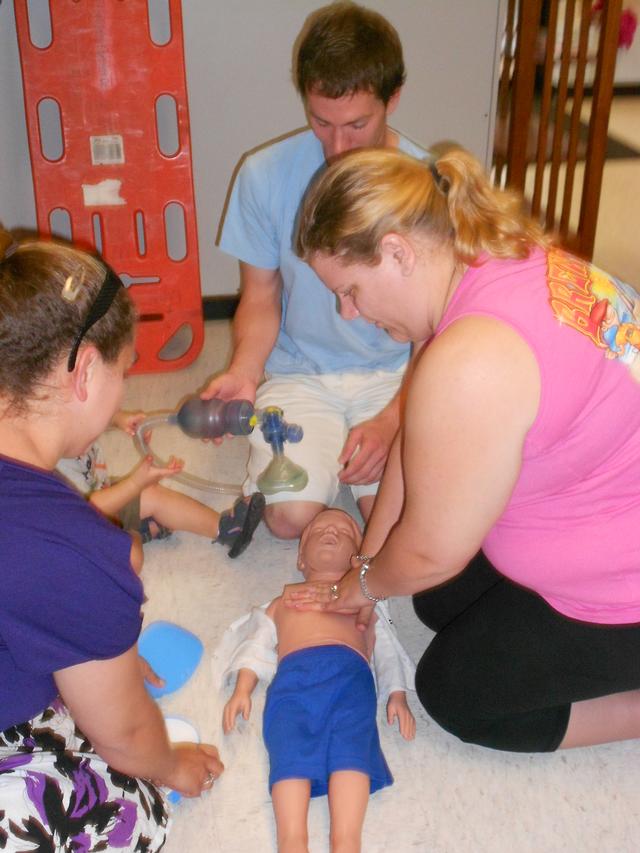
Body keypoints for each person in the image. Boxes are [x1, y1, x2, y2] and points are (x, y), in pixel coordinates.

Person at [287, 145, 640, 755]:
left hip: (626, 585)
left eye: (349, 290)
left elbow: (429, 551)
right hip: (609, 509)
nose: (349, 314)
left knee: (455, 691)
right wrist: (366, 566)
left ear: (396, 251)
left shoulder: (473, 358)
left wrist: (363, 588)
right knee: (434, 601)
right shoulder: (482, 265)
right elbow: (411, 448)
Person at [0, 233, 223, 850]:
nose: (125, 389)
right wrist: (171, 765)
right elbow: (124, 737)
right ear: (86, 370)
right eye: (125, 370)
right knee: (129, 807)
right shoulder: (68, 546)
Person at [204, 2, 428, 540]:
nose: (339, 146)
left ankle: (369, 463)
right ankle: (328, 463)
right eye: (320, 122)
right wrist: (244, 372)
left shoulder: (428, 186)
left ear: (392, 99)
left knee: (397, 522)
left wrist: (395, 418)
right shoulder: (263, 176)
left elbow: (440, 327)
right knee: (289, 520)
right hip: (301, 371)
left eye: (357, 124)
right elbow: (260, 298)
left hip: (398, 375)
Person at [218, 508, 415, 853]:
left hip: (350, 682)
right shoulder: (283, 602)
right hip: (292, 686)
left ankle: (346, 841)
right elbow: (257, 644)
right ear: (300, 558)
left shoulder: (366, 603)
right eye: (319, 530)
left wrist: (395, 693)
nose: (331, 531)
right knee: (288, 746)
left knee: (352, 747)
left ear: (359, 561)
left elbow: (385, 650)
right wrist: (243, 687)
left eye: (344, 531)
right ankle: (292, 841)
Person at [57, 409, 265, 562]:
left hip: (101, 492)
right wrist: (135, 483)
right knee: (132, 558)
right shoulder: (53, 471)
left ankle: (225, 529)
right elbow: (93, 508)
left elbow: (91, 413)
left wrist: (118, 419)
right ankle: (135, 530)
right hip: (85, 524)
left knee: (151, 493)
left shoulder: (70, 417)